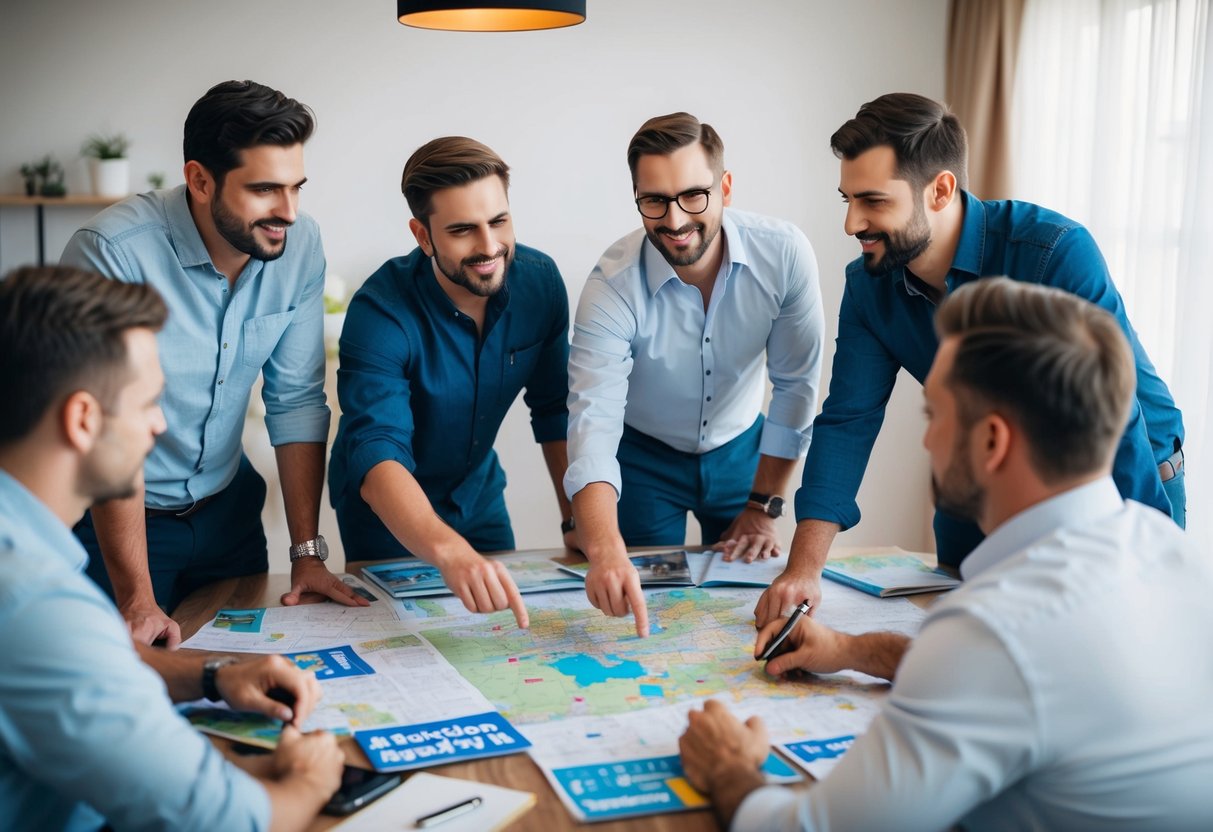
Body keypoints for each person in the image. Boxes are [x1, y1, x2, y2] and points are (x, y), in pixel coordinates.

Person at [679, 278, 1213, 831]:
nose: (927, 442)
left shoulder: (995, 631)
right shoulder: (1170, 552)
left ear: (991, 442)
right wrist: (850, 650)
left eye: (934, 416)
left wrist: (728, 768)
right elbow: (1026, 688)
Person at [756, 92, 1184, 626]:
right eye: (846, 199)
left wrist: (1155, 574)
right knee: (960, 646)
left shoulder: (1054, 253)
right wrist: (803, 570)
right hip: (983, 480)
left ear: (940, 190)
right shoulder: (868, 286)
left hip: (1120, 479)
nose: (851, 224)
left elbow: (1117, 418)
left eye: (873, 201)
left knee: (1115, 636)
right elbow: (847, 421)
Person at [0, 266, 344, 831]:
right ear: (83, 419)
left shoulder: (28, 558)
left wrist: (210, 674)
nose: (160, 427)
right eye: (147, 404)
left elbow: (90, 664)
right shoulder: (39, 606)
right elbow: (226, 821)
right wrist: (313, 777)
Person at [61, 79, 366, 648]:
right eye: (265, 189)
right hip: (120, 528)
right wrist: (137, 598)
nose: (289, 212)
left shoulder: (298, 246)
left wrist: (306, 554)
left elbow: (296, 398)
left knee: (233, 674)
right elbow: (109, 429)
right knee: (131, 694)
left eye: (297, 187)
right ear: (200, 180)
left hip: (230, 513)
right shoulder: (112, 252)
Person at [566, 112, 824, 636]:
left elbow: (796, 385)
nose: (676, 218)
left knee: (742, 612)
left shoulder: (784, 254)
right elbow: (592, 423)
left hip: (743, 454)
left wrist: (765, 504)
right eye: (654, 200)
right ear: (637, 198)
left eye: (694, 195)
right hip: (642, 462)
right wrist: (604, 547)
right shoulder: (610, 286)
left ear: (724, 186)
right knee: (640, 614)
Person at [328, 137, 572, 629]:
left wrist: (575, 519)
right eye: (462, 230)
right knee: (404, 644)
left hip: (479, 497)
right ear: (423, 235)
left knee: (501, 636)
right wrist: (448, 550)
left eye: (499, 221)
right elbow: (378, 452)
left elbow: (555, 408)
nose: (488, 247)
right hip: (388, 516)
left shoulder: (540, 283)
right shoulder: (379, 313)